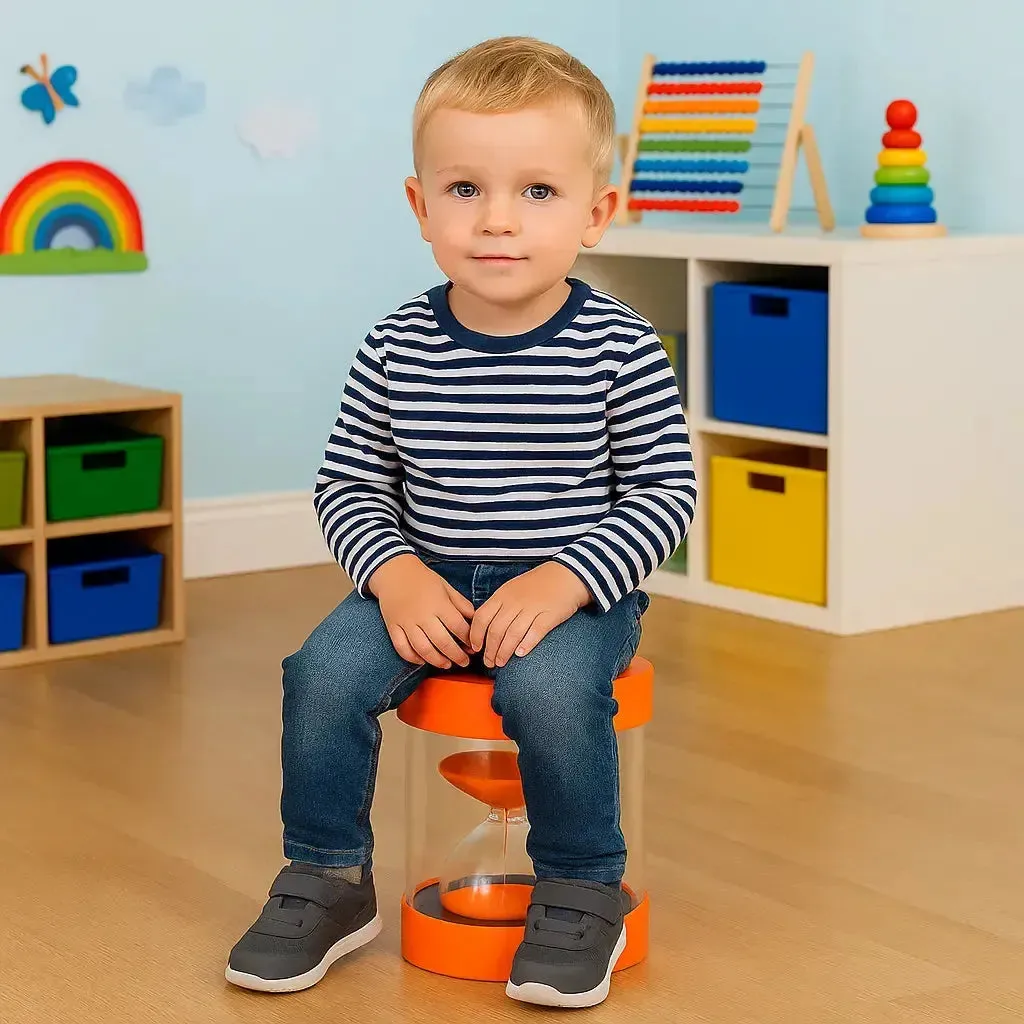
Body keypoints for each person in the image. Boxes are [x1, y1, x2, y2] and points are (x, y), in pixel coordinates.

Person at [225, 35, 696, 1008]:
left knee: (550, 694)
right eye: (464, 189)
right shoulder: (396, 342)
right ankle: (326, 875)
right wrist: (393, 573)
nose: (496, 221)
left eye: (536, 191)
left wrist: (565, 578)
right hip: (425, 577)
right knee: (318, 674)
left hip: (568, 591)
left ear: (596, 213)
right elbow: (348, 482)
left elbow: (665, 493)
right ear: (420, 207)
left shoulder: (619, 347)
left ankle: (578, 890)